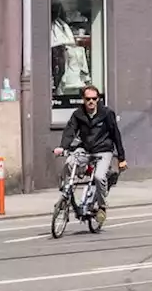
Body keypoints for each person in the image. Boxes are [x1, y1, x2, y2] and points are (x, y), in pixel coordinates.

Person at [53, 85, 126, 213]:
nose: (91, 101)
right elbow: (70, 131)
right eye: (88, 99)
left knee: (98, 177)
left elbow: (116, 134)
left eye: (94, 98)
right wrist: (62, 147)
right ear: (83, 99)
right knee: (69, 163)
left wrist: (121, 158)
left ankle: (102, 206)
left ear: (98, 99)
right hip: (86, 149)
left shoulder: (107, 114)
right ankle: (66, 194)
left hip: (104, 150)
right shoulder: (78, 114)